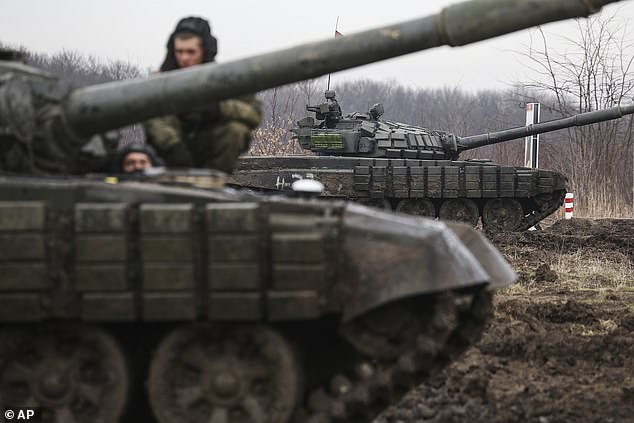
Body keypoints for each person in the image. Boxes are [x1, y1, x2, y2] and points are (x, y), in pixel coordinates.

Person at [144, 16, 261, 173]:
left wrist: (219, 109)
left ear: (204, 50)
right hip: (170, 150)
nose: (184, 58)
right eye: (179, 51)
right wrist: (173, 147)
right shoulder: (159, 81)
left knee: (236, 130)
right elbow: (153, 120)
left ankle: (213, 179)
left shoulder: (222, 80)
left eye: (191, 52)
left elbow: (254, 115)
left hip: (209, 148)